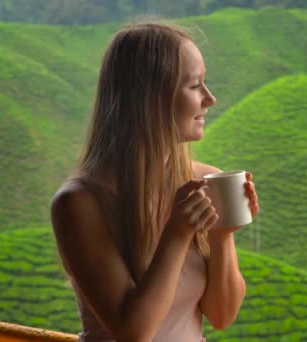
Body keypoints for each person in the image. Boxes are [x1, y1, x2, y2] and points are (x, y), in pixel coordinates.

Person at [50, 21, 259, 342]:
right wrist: (177, 233)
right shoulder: (80, 203)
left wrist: (222, 234)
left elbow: (221, 315)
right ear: (150, 98)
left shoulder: (203, 181)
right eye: (194, 85)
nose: (210, 98)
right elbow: (133, 331)